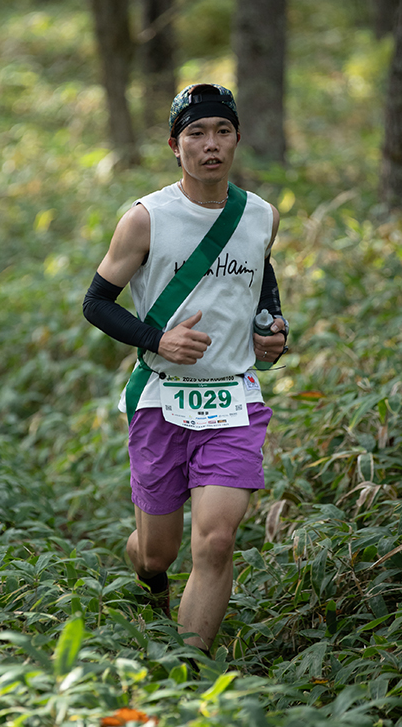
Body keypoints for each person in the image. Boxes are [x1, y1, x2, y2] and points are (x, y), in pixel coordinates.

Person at [83, 83, 289, 656]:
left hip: (233, 398)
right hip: (161, 396)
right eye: (196, 133)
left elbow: (260, 281)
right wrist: (158, 340)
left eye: (222, 131)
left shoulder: (261, 216)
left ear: (238, 138)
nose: (211, 144)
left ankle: (186, 676)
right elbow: (96, 303)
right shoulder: (145, 219)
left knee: (216, 542)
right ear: (176, 146)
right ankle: (150, 579)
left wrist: (273, 331)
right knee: (157, 553)